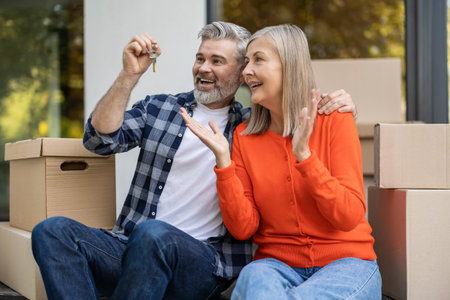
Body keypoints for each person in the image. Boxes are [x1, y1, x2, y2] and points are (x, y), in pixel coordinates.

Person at [31, 22, 357, 300]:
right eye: (200, 58)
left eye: (217, 61)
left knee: (154, 234)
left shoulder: (248, 130)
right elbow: (98, 140)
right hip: (131, 251)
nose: (204, 67)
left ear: (243, 73)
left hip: (201, 262)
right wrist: (129, 75)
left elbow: (290, 104)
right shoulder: (159, 109)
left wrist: (337, 101)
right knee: (52, 230)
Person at [181, 24, 381, 300]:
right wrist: (224, 164)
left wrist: (306, 159)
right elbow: (243, 228)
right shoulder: (244, 137)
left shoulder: (335, 120)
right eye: (246, 62)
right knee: (255, 280)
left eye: (258, 60)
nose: (246, 71)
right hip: (276, 265)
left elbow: (348, 216)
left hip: (346, 263)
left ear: (289, 65)